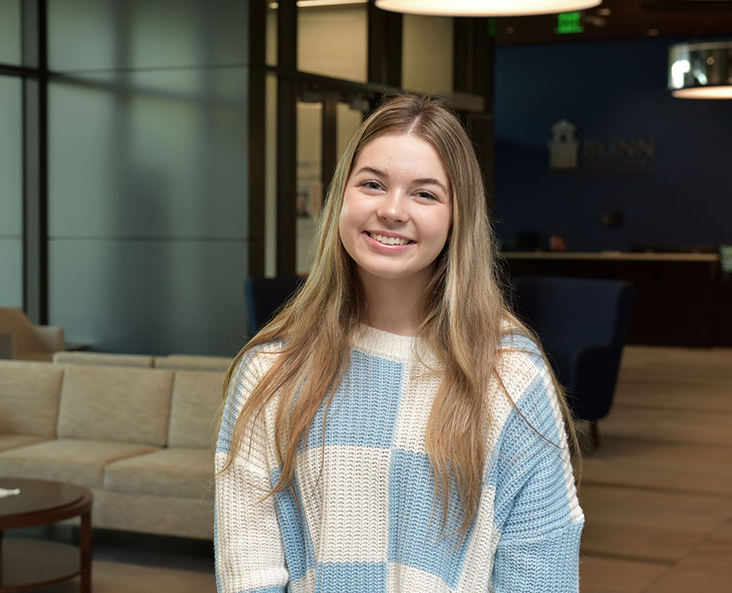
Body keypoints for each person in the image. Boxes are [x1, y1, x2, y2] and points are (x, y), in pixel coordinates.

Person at [215, 95, 583, 593]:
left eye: (425, 194)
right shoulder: (272, 368)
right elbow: (248, 572)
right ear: (341, 197)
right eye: (372, 184)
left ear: (458, 217)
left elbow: (541, 571)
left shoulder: (508, 371)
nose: (391, 210)